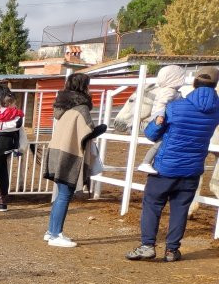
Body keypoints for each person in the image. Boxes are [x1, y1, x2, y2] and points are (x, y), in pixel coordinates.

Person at [126, 66, 219, 263]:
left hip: (165, 167)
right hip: (193, 169)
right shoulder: (216, 111)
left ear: (194, 84)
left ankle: (147, 246)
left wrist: (157, 122)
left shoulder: (175, 107)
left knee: (152, 204)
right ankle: (172, 250)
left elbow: (151, 134)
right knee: (180, 209)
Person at [42, 73, 105, 248]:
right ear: (83, 87)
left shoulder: (62, 105)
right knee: (64, 194)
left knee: (61, 193)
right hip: (69, 154)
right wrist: (102, 129)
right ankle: (55, 234)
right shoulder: (82, 107)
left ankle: (51, 231)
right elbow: (88, 131)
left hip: (55, 152)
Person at [136, 65, 185, 174]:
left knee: (163, 141)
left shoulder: (169, 90)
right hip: (164, 121)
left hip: (166, 120)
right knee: (161, 142)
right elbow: (161, 104)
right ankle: (146, 162)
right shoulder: (169, 91)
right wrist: (160, 116)